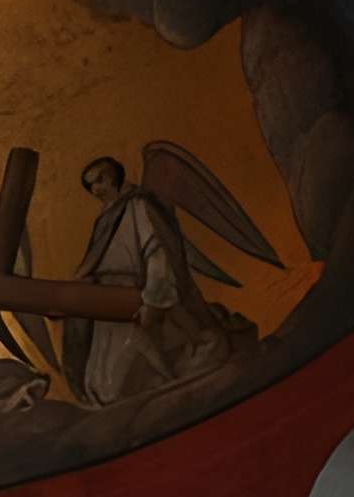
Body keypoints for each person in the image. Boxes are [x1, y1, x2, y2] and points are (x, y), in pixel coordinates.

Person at [65, 156, 243, 407]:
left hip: (136, 295)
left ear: (115, 175)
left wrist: (153, 298)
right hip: (108, 299)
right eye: (90, 185)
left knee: (124, 382)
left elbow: (157, 251)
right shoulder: (105, 216)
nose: (96, 188)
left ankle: (171, 381)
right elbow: (98, 258)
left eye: (100, 179)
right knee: (103, 386)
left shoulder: (138, 204)